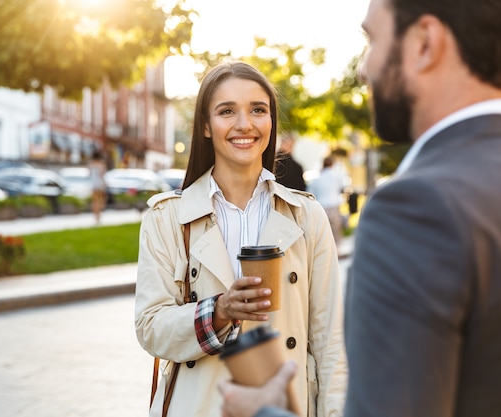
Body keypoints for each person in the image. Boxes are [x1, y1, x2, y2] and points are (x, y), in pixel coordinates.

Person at [218, 0, 501, 416]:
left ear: (425, 42)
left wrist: (263, 410)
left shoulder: (412, 208)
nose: (363, 69)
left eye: (373, 39)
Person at [134, 61, 347, 417]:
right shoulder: (168, 217)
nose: (244, 124)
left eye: (258, 110)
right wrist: (218, 312)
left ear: (271, 121)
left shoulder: (306, 216)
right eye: (227, 111)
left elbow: (330, 344)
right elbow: (150, 327)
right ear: (205, 125)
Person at [308, 155, 347, 247]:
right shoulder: (337, 176)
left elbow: (310, 192)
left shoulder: (317, 178)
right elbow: (343, 187)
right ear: (332, 164)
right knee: (336, 231)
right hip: (334, 206)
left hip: (321, 207)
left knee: (323, 232)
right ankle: (337, 250)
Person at [88, 149, 107, 224]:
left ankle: (95, 215)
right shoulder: (102, 164)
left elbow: (89, 174)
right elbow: (102, 175)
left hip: (93, 184)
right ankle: (98, 215)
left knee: (94, 201)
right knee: (100, 200)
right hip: (100, 184)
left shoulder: (91, 164)